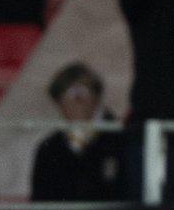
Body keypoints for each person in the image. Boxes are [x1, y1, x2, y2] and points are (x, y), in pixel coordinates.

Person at [31, 63, 126, 201]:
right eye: (69, 94)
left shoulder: (121, 140)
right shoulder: (49, 149)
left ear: (96, 97)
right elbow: (40, 204)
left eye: (82, 92)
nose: (77, 100)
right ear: (59, 103)